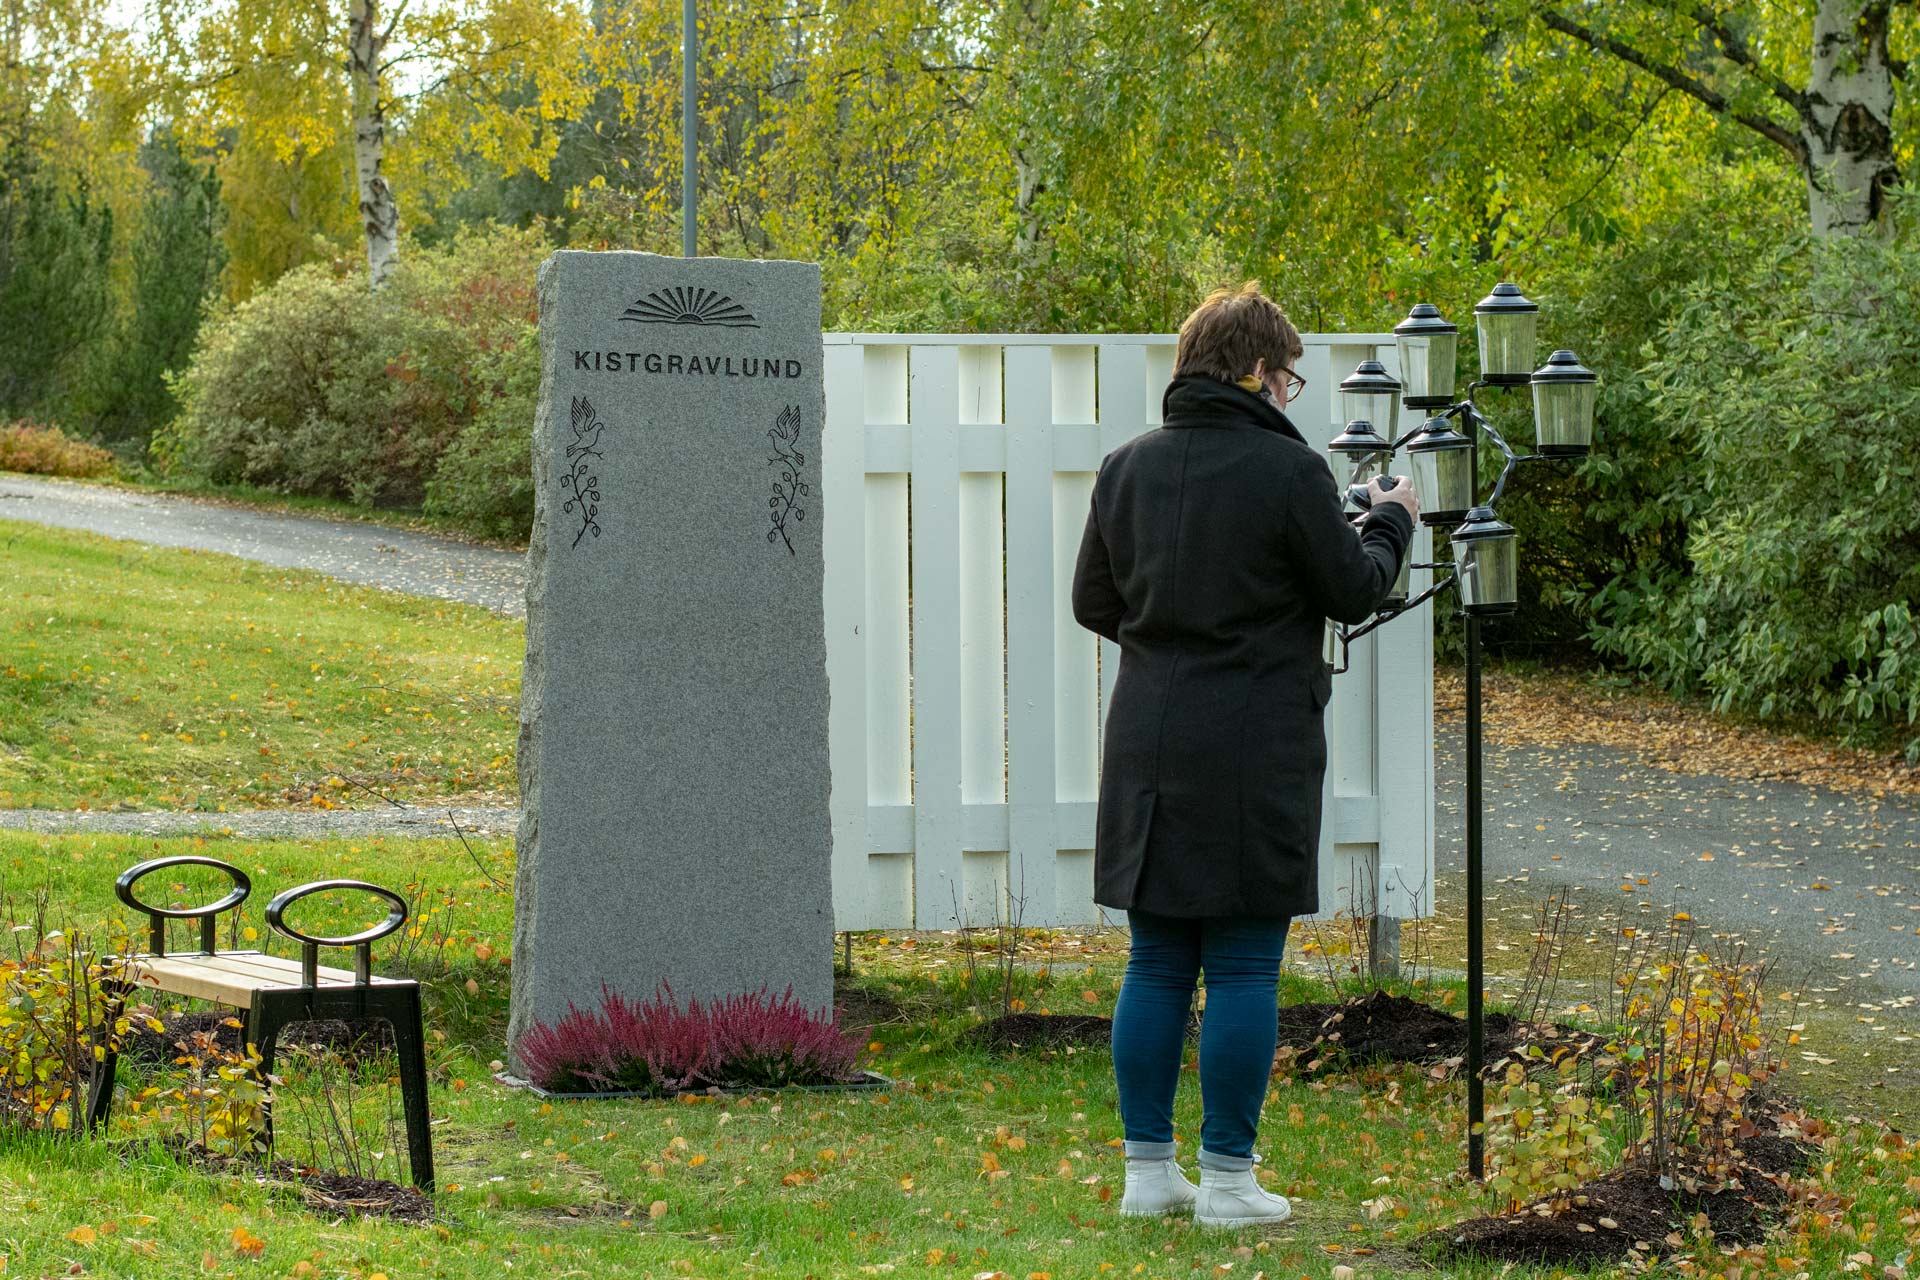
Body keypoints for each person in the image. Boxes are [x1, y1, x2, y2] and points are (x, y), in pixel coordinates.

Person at [1071, 282, 1418, 1228]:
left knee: (1154, 963)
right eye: (1289, 375)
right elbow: (1353, 591)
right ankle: (1227, 1181)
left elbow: (1093, 604)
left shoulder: (1125, 467)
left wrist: (1168, 632)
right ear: (1261, 371)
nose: (1288, 392)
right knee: (1240, 966)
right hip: (1254, 741)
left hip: (1148, 734)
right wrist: (1389, 518)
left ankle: (1150, 1176)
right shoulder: (1290, 473)